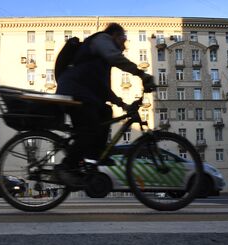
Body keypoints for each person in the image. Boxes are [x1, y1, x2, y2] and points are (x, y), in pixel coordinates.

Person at [55, 23, 155, 186]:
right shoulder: (102, 39)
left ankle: (94, 156)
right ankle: (66, 167)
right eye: (123, 39)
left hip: (83, 92)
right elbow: (115, 58)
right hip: (74, 91)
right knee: (89, 129)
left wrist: (123, 104)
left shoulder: (99, 63)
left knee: (106, 112)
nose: (124, 45)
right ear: (114, 35)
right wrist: (141, 74)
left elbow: (103, 89)